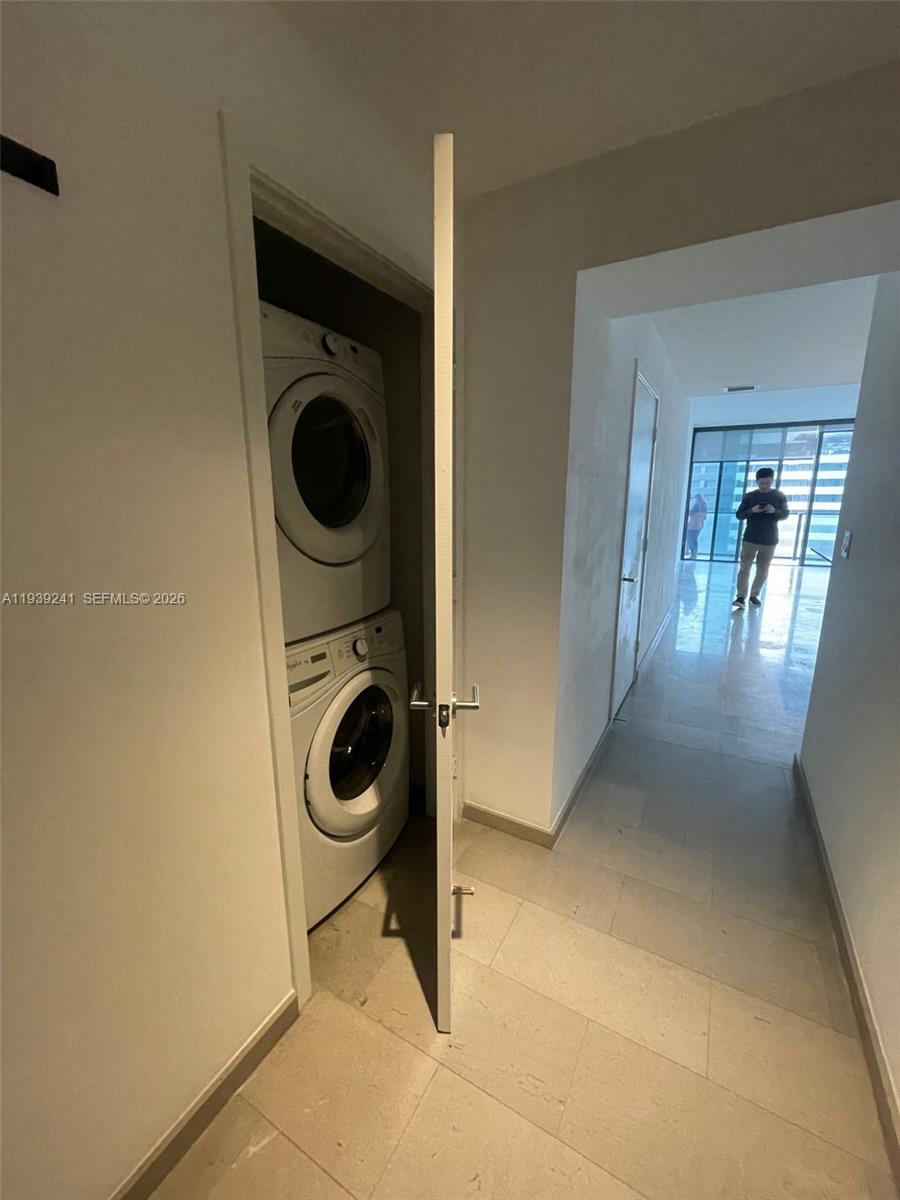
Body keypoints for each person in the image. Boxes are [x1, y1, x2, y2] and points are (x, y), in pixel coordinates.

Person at [733, 467, 789, 608]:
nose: (764, 486)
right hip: (750, 538)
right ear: (756, 481)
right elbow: (739, 515)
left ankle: (754, 595)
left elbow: (786, 514)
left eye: (767, 483)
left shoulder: (779, 496)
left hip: (769, 539)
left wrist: (774, 511)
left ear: (772, 481)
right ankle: (740, 597)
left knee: (763, 570)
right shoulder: (749, 496)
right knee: (744, 568)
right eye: (761, 483)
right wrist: (752, 510)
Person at [684, 492, 708, 559]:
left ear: (697, 498)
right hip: (700, 525)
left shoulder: (697, 504)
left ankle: (693, 554)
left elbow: (691, 513)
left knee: (689, 538)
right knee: (695, 539)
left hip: (693, 525)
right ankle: (695, 554)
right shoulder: (704, 505)